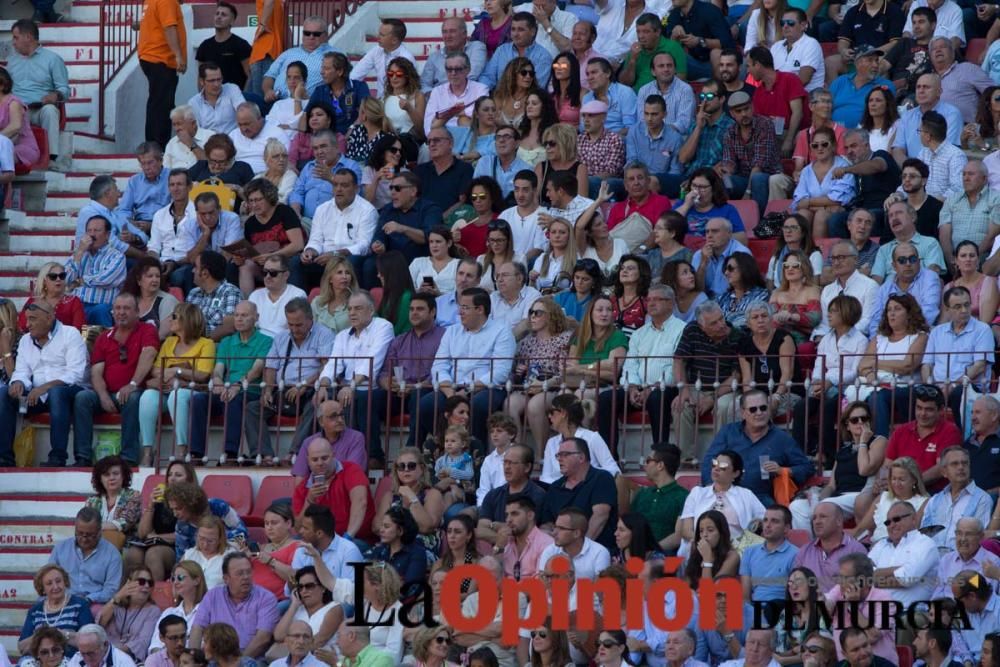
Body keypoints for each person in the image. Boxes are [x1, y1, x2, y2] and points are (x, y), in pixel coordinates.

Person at [417, 288, 515, 445]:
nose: (459, 312)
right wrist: (450, 393)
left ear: (480, 309)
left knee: (478, 406)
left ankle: (475, 451)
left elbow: (500, 372)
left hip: (486, 388)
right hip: (453, 388)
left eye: (465, 307)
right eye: (460, 306)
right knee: (427, 404)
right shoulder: (452, 331)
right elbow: (439, 366)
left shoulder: (501, 331)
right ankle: (445, 446)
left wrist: (468, 390)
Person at [0, 299, 86, 467]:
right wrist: (18, 383)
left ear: (49, 318)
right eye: (27, 319)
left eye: (33, 319)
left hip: (67, 392)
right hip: (36, 395)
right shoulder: (26, 340)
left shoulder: (70, 334)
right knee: (4, 393)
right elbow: (23, 372)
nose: (28, 324)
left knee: (57, 392)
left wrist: (45, 387)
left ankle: (58, 456)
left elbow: (75, 374)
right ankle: (5, 457)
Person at [701, 390, 814, 506]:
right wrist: (711, 487)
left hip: (761, 498)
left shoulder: (781, 439)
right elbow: (709, 460)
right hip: (728, 494)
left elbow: (806, 467)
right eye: (753, 409)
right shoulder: (728, 432)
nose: (759, 413)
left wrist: (782, 470)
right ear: (743, 413)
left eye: (763, 408)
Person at [188, 553, 278, 658]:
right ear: (226, 578)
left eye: (248, 572)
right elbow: (197, 628)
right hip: (215, 658)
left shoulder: (266, 598)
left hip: (250, 660)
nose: (246, 577)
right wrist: (194, 659)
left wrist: (237, 663)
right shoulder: (213, 595)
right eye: (239, 573)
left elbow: (263, 638)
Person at [680, 450, 766, 558]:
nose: (716, 468)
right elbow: (686, 530)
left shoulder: (746, 495)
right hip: (701, 545)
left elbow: (764, 519)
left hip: (735, 548)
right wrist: (705, 543)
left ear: (736, 473)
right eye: (715, 464)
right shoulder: (697, 493)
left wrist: (754, 527)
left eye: (723, 466)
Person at [537, 437, 618, 549]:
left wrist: (583, 548)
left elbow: (600, 516)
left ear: (581, 457)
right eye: (558, 455)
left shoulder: (601, 478)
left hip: (597, 550)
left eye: (565, 454)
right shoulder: (555, 487)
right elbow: (548, 523)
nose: (559, 459)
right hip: (561, 550)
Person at [718, 91, 791, 216]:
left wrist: (747, 192)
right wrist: (725, 172)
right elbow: (729, 162)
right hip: (744, 178)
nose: (744, 114)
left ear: (752, 107)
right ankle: (727, 218)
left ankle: (758, 220)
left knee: (757, 179)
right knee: (724, 180)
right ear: (732, 114)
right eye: (739, 111)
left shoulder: (764, 124)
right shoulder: (729, 132)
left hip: (767, 177)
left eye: (746, 109)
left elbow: (759, 165)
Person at [7, 19, 68, 164]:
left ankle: (51, 158)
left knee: (50, 111)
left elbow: (64, 89)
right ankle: (7, 157)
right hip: (18, 109)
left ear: (28, 37)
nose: (13, 42)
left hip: (40, 108)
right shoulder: (12, 61)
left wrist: (56, 95)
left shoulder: (52, 59)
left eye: (16, 37)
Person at [866, 499, 941, 606]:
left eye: (896, 519)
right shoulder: (881, 545)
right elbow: (863, 574)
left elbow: (907, 579)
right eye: (888, 522)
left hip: (909, 613)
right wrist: (899, 569)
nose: (891, 525)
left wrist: (876, 577)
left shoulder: (925, 544)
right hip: (875, 612)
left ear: (914, 519)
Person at [138, 0, 187, 150]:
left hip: (152, 57)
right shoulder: (167, 1)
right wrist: (178, 55)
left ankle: (154, 144)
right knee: (162, 106)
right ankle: (157, 146)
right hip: (161, 58)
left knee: (158, 103)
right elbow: (169, 27)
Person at [48, 508, 123, 604]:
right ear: (75, 529)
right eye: (80, 533)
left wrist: (88, 599)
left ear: (99, 532)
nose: (84, 539)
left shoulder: (112, 554)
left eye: (89, 535)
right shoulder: (60, 549)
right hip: (62, 601)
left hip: (94, 603)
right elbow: (49, 578)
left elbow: (111, 590)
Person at [791, 127, 856, 237]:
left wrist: (809, 203)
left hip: (843, 212)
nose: (819, 148)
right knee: (802, 215)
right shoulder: (806, 171)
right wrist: (823, 206)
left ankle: (818, 253)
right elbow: (800, 202)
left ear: (834, 146)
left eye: (824, 144)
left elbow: (837, 200)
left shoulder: (843, 167)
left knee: (821, 216)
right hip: (818, 210)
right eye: (815, 145)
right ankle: (799, 253)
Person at [18, 565, 93, 657]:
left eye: (58, 581)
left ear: (65, 582)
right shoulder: (35, 611)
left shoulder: (80, 605)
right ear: (43, 589)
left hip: (70, 660)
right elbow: (22, 647)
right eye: (49, 584)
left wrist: (63, 634)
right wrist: (42, 636)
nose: (55, 586)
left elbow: (91, 640)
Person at [67, 216, 127, 326]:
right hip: (76, 304)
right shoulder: (79, 254)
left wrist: (79, 281)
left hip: (100, 305)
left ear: (107, 235)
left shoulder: (117, 256)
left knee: (101, 310)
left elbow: (105, 280)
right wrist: (79, 252)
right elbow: (65, 279)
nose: (92, 235)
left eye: (97, 230)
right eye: (89, 231)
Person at [891, 73, 964, 161]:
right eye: (918, 87)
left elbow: (947, 149)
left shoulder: (951, 114)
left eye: (926, 87)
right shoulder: (907, 115)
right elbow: (898, 149)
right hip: (910, 169)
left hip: (939, 169)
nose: (921, 90)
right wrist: (910, 169)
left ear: (939, 92)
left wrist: (922, 171)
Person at [97, 568, 160, 662]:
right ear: (128, 583)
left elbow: (142, 642)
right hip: (105, 657)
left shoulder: (153, 611)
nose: (146, 586)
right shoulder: (117, 606)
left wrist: (112, 652)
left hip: (130, 659)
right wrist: (117, 597)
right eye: (141, 581)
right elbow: (100, 623)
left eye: (150, 583)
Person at [273, 569, 344, 652]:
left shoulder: (334, 608)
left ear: (323, 587)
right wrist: (294, 605)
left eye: (309, 586)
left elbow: (319, 641)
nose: (304, 591)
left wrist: (290, 644)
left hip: (323, 661)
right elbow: (278, 636)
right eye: (300, 587)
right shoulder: (297, 609)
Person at [662, 0, 735, 81]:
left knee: (715, 53)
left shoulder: (709, 10)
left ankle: (720, 87)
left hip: (713, 65)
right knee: (667, 53)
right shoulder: (674, 14)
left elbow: (727, 43)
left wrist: (699, 41)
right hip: (691, 63)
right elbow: (668, 44)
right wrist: (674, 35)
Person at [480, 12, 554, 90]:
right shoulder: (502, 50)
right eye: (513, 29)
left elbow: (536, 88)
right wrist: (482, 93)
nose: (515, 34)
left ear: (533, 31)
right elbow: (488, 77)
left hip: (527, 100)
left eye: (520, 30)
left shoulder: (543, 56)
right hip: (499, 98)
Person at [740, 505, 798, 602]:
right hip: (754, 609)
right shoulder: (749, 552)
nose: (767, 525)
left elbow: (796, 593)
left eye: (774, 521)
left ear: (786, 528)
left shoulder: (796, 554)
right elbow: (745, 594)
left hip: (781, 609)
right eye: (765, 520)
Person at [424, 53, 490, 136]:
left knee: (464, 120)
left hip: (471, 139)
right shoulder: (437, 92)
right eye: (449, 69)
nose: (453, 73)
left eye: (458, 69)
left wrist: (457, 112)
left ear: (468, 70)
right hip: (444, 139)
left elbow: (484, 115)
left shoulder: (481, 89)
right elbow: (428, 126)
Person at [930, 37, 993, 123]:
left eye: (943, 47)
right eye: (934, 49)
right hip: (937, 131)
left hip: (968, 128)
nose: (938, 50)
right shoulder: (928, 80)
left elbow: (993, 92)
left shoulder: (967, 69)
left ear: (952, 52)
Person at [185, 249, 242, 342]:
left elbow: (229, 328)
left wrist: (203, 343)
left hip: (216, 347)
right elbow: (184, 322)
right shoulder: (193, 293)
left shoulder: (230, 292)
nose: (192, 270)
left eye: (195, 267)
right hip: (191, 345)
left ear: (205, 273)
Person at [421, 18, 488, 91]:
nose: (448, 36)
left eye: (452, 31)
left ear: (464, 34)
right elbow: (424, 84)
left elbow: (471, 76)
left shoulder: (476, 47)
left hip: (468, 95)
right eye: (444, 32)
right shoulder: (434, 57)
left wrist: (448, 94)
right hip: (439, 99)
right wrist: (436, 96)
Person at [194, 3, 250, 88]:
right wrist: (202, 97)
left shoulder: (241, 45)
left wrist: (243, 97)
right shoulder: (204, 46)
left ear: (232, 21)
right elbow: (201, 76)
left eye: (223, 15)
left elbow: (250, 75)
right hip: (211, 98)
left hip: (235, 98)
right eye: (217, 13)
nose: (219, 17)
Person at [17, 262, 85, 332]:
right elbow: (23, 325)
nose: (58, 279)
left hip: (66, 341)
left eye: (62, 276)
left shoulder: (74, 301)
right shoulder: (34, 301)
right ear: (44, 281)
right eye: (53, 276)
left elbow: (78, 329)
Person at [770, 9, 824, 92]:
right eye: (782, 23)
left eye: (790, 23)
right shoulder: (776, 46)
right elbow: (768, 75)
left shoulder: (811, 44)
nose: (785, 26)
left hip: (806, 97)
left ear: (803, 25)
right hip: (779, 94)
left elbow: (803, 80)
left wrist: (778, 93)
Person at [189, 63, 246, 135]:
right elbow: (196, 131)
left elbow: (244, 112)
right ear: (201, 81)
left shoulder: (232, 89)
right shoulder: (194, 102)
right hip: (208, 143)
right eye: (211, 81)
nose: (216, 84)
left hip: (233, 140)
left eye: (219, 79)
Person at [69, 624, 136, 667]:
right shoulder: (77, 657)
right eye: (83, 653)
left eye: (91, 653)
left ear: (105, 644)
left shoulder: (123, 662)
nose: (86, 658)